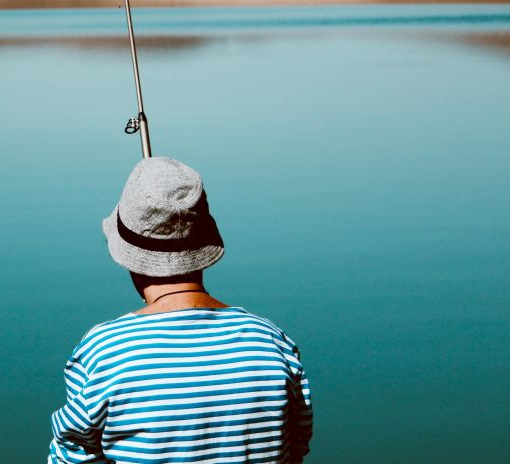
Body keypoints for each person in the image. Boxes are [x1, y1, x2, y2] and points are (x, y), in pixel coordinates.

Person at [48, 156, 312, 463]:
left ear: (129, 257)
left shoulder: (106, 351)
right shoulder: (271, 342)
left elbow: (71, 455)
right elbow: (297, 446)